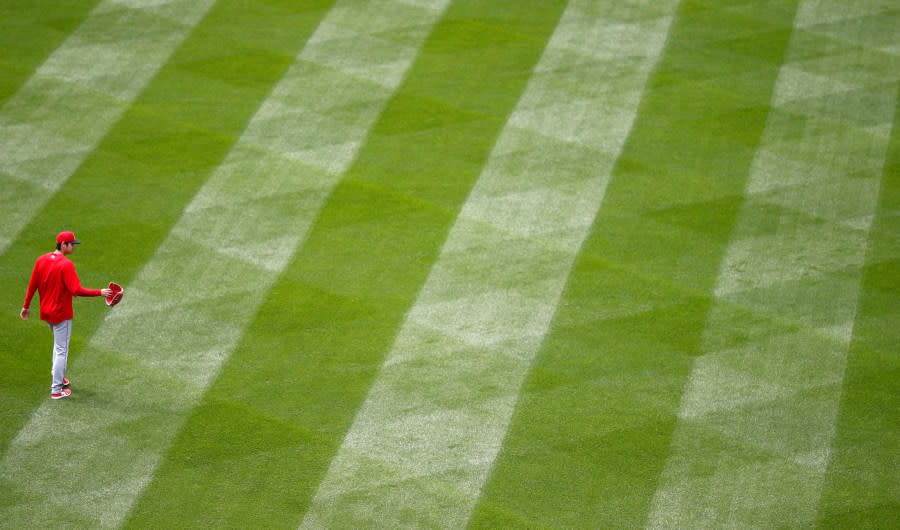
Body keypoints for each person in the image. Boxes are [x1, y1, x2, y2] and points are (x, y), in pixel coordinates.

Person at [20, 231, 113, 399]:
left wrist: (26, 306)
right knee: (62, 350)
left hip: (46, 312)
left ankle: (59, 377)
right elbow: (76, 290)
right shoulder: (66, 265)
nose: (74, 246)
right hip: (61, 313)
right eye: (72, 244)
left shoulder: (41, 260)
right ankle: (56, 389)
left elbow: (32, 284)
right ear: (63, 245)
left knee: (58, 347)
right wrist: (100, 292)